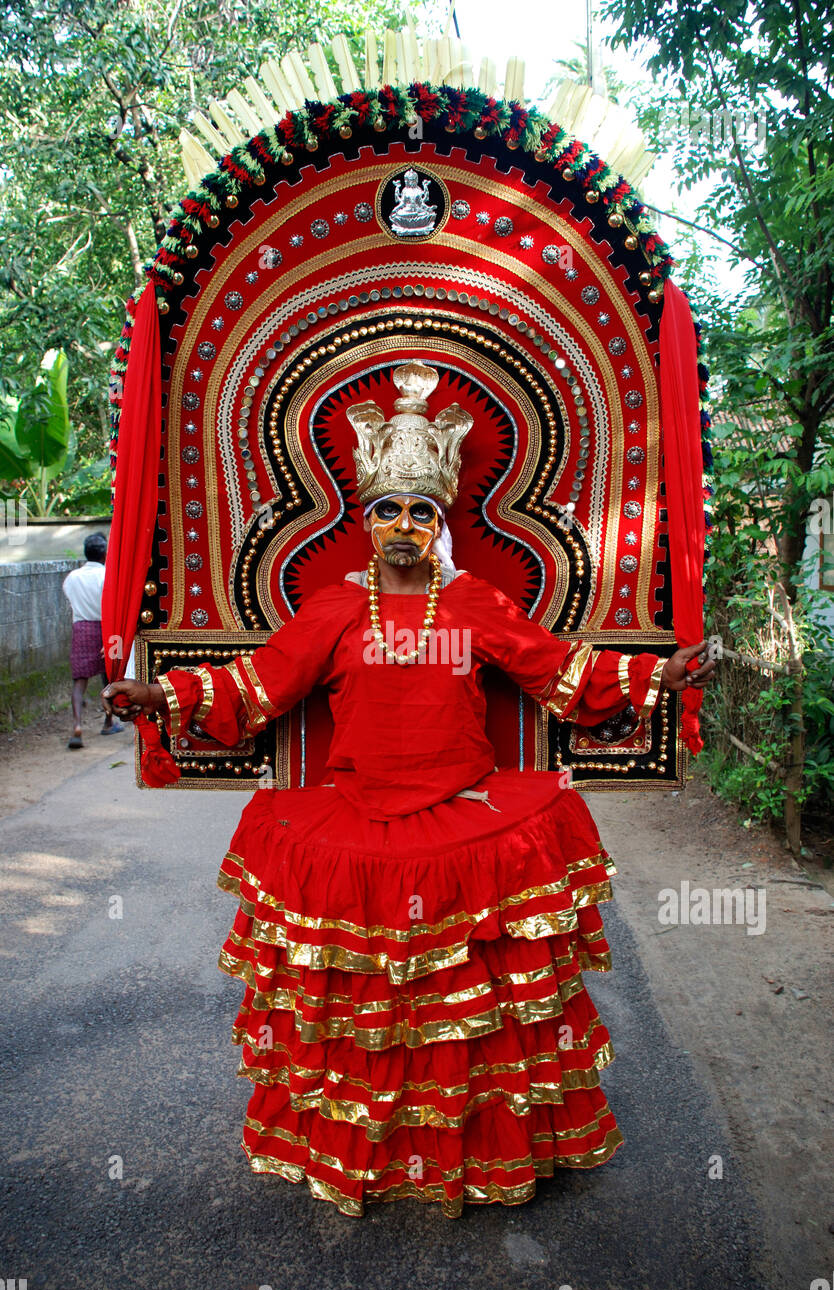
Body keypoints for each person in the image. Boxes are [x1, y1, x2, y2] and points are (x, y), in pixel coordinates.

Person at [103, 364, 714, 1217]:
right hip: (357, 821)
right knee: (368, 1012)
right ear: (362, 519)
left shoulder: (472, 601)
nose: (401, 526)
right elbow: (256, 686)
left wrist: (662, 675)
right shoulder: (333, 609)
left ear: (440, 521)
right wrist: (160, 695)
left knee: (468, 1012)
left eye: (419, 512)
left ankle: (474, 1151)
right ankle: (372, 1153)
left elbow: (559, 673)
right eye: (386, 510)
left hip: (466, 818)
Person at [63, 532, 123, 749]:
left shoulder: (72, 577)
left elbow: (69, 597)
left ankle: (77, 725)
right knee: (109, 677)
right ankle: (109, 722)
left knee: (79, 681)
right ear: (104, 553)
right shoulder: (108, 575)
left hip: (81, 628)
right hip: (107, 628)